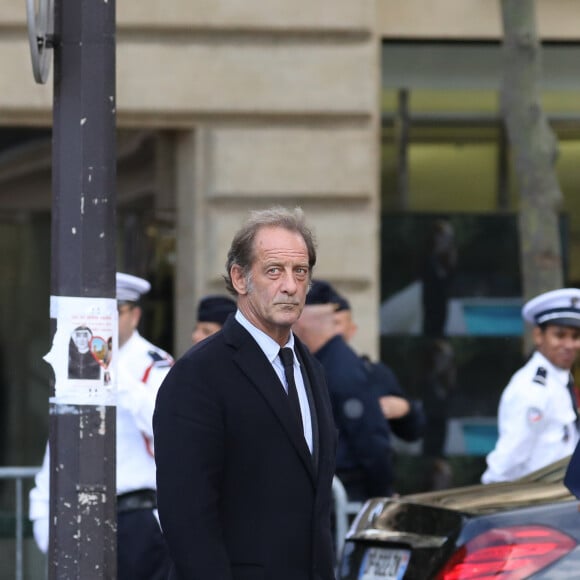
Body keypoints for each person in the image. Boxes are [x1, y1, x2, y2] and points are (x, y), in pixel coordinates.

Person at [153, 206, 337, 580]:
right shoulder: (199, 374)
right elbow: (187, 517)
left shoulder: (310, 368)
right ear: (239, 278)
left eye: (300, 272)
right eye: (274, 271)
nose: (290, 285)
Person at [29, 272, 174, 580]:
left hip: (138, 521)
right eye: (100, 313)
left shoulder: (154, 363)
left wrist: (112, 371)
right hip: (82, 517)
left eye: (114, 311)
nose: (104, 321)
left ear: (134, 315)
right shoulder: (77, 361)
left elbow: (164, 425)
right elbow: (60, 440)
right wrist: (43, 521)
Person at [293, 286, 394, 503]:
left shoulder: (341, 368)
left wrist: (381, 493)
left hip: (346, 494)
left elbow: (371, 439)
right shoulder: (317, 361)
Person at [481, 288, 580, 484]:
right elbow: (508, 460)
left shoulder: (559, 380)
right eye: (559, 335)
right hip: (535, 503)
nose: (569, 345)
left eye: (576, 336)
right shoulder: (533, 389)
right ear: (538, 336)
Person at [307, 279, 425, 443]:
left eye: (337, 323)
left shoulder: (371, 374)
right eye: (323, 322)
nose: (330, 329)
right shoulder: (293, 370)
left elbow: (414, 429)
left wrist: (404, 409)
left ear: (351, 329)